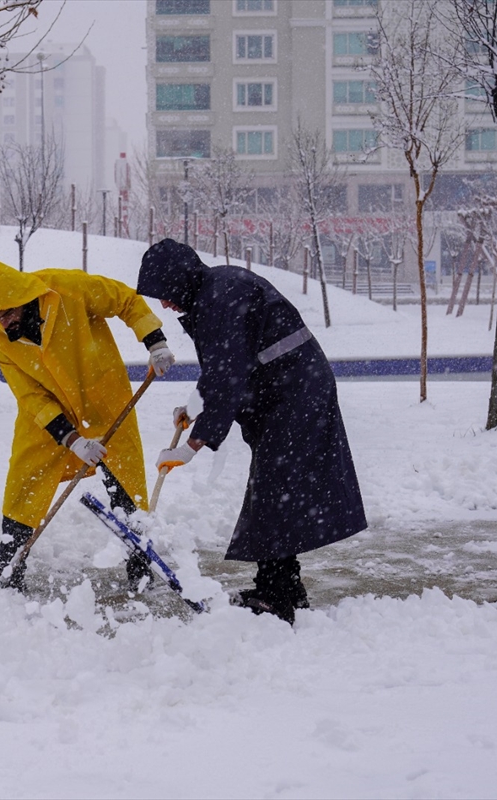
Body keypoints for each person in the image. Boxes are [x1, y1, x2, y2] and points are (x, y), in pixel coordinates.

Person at [137, 238, 367, 624]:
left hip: (294, 392)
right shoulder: (215, 291)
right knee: (275, 491)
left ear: (179, 280)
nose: (164, 304)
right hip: (286, 391)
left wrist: (192, 446)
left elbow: (228, 373)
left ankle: (276, 596)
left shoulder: (220, 296)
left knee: (274, 491)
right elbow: (223, 367)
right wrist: (195, 407)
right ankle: (284, 588)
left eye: (165, 293)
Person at [0, 259, 176, 590]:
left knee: (124, 481)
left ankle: (139, 562)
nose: (1, 322)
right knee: (25, 480)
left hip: (102, 399)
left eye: (6, 313)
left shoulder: (67, 289)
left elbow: (125, 299)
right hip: (48, 410)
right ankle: (8, 563)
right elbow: (29, 393)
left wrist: (155, 341)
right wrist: (70, 438)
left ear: (23, 299)